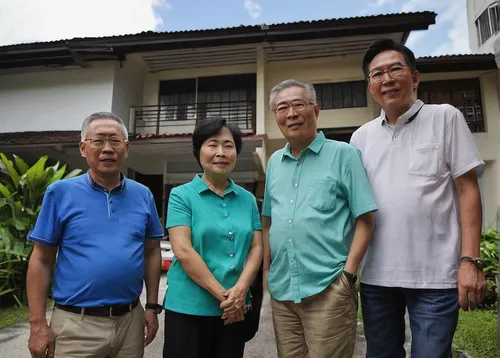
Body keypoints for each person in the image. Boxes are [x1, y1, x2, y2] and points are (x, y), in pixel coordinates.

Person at [350, 38, 486, 358]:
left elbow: (468, 190)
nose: (387, 79)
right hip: (376, 277)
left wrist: (470, 261)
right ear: (370, 86)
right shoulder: (361, 137)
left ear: (415, 77)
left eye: (395, 69)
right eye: (377, 74)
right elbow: (355, 206)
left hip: (435, 277)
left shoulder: (445, 118)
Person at [27, 112, 164, 358]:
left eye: (115, 141)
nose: (108, 149)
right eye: (98, 141)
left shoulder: (143, 195)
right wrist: (37, 325)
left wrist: (152, 307)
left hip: (130, 322)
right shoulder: (59, 193)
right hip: (76, 325)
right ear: (83, 147)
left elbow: (152, 250)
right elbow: (41, 259)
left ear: (127, 147)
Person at [263, 79, 377, 358]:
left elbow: (365, 219)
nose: (291, 113)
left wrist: (347, 276)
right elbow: (268, 221)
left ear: (315, 110)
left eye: (298, 105)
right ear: (276, 116)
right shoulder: (274, 162)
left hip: (329, 288)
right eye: (282, 108)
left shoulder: (344, 155)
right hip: (283, 291)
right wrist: (267, 272)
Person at [163, 117, 263, 358]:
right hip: (189, 308)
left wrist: (240, 291)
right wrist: (228, 299)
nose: (221, 152)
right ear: (199, 151)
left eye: (228, 146)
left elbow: (257, 248)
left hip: (234, 309)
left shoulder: (247, 199)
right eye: (212, 144)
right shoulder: (181, 195)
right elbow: (183, 250)